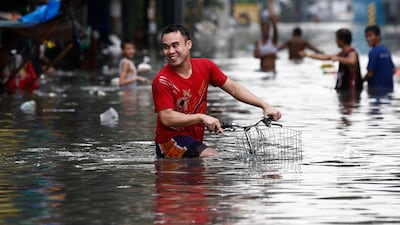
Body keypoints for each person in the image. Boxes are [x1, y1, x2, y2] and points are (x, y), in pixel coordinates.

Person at [152, 24, 281, 158]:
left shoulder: (205, 66)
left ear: (188, 44)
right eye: (166, 47)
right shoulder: (162, 80)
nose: (171, 51)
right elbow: (166, 118)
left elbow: (234, 88)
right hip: (168, 142)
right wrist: (202, 118)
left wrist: (264, 105)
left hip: (192, 141)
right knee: (211, 156)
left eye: (175, 45)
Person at [363, 25, 396, 93]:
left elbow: (370, 73)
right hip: (389, 89)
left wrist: (361, 81)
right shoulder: (387, 51)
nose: (368, 39)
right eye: (366, 36)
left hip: (376, 89)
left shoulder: (373, 52)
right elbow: (393, 70)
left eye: (370, 36)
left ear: (378, 36)